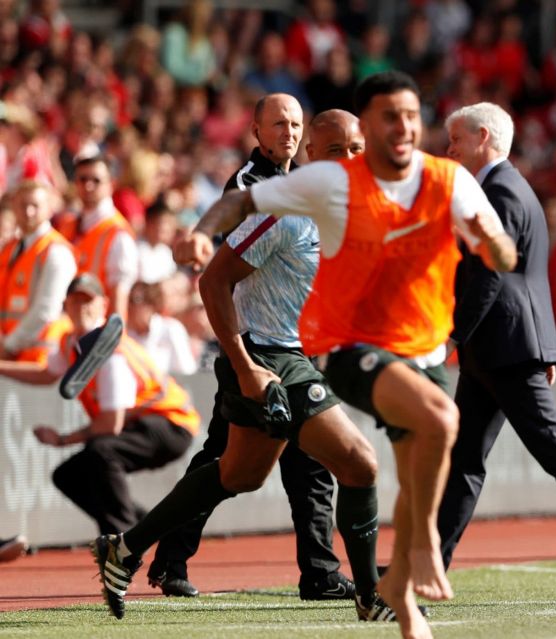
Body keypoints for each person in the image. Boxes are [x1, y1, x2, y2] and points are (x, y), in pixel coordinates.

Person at [171, 71, 516, 639]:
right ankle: (415, 551)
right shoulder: (326, 185)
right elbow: (240, 200)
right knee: (436, 425)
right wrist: (201, 234)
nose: (400, 127)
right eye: (388, 117)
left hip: (423, 347)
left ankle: (398, 598)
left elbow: (496, 242)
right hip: (346, 350)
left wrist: (497, 245)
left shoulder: (446, 179)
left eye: (409, 116)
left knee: (394, 465)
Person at [90, 107, 386, 620]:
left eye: (357, 149)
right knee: (359, 462)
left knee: (237, 474)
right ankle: (370, 595)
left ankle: (126, 548)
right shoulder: (289, 212)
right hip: (267, 357)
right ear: (312, 157)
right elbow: (213, 279)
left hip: (293, 356)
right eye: (335, 150)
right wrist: (245, 364)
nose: (349, 160)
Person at [438, 102, 556, 588]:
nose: (449, 150)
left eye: (456, 140)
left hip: (504, 347)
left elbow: (491, 275)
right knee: (465, 460)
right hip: (502, 347)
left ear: (482, 137)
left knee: (553, 450)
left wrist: (453, 336)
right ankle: (431, 562)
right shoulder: (510, 188)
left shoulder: (498, 192)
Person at [0, 273, 199, 534]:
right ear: (65, 306)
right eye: (75, 301)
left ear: (103, 305)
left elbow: (111, 424)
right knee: (68, 476)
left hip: (172, 424)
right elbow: (46, 374)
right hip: (143, 422)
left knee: (101, 451)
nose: (81, 307)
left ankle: (123, 539)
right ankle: (148, 526)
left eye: (88, 301)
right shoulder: (71, 342)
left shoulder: (109, 352)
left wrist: (61, 439)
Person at [0, 180, 76, 365]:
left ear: (49, 208)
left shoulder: (56, 251)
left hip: (40, 360)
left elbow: (46, 310)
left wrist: (9, 346)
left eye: (35, 205)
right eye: (22, 205)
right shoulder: (11, 248)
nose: (28, 212)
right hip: (11, 357)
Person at [67, 155, 139, 321]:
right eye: (82, 179)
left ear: (111, 184)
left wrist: (111, 340)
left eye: (96, 180)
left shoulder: (118, 234)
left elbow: (119, 299)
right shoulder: (69, 224)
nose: (88, 185)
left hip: (96, 331)